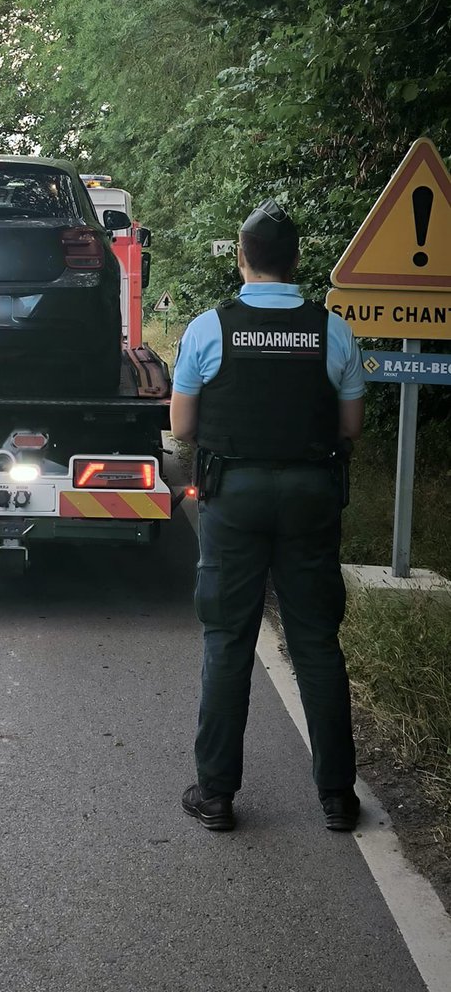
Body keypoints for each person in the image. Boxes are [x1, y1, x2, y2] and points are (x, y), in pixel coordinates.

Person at [170, 199, 365, 833]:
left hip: (234, 496)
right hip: (311, 494)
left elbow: (183, 426)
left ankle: (217, 794)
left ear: (241, 256)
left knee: (228, 639)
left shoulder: (208, 329)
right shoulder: (332, 329)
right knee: (315, 640)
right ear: (298, 260)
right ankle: (337, 796)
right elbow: (350, 427)